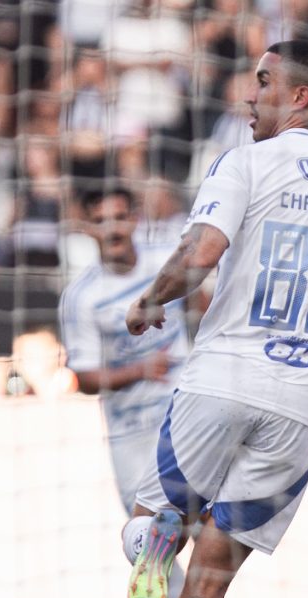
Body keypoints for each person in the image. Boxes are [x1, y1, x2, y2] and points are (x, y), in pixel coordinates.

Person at [120, 39, 308, 598]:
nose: (251, 95)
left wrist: (150, 299)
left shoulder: (248, 162)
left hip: (222, 380)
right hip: (303, 407)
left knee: (142, 527)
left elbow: (201, 251)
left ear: (300, 96)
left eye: (264, 81)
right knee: (209, 585)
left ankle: (158, 535)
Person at [59, 186, 196, 514]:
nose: (112, 229)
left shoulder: (166, 260)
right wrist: (141, 370)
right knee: (146, 535)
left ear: (135, 219)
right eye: (101, 221)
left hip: (183, 412)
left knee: (205, 520)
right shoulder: (81, 297)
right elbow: (85, 378)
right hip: (130, 429)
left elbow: (201, 300)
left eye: (120, 217)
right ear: (88, 229)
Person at [0, 324, 79, 398]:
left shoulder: (64, 378)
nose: (18, 362)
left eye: (29, 356)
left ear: (59, 355)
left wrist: (36, 379)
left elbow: (54, 403)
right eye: (17, 355)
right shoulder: (23, 386)